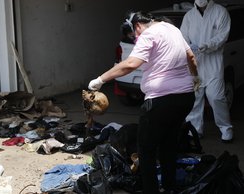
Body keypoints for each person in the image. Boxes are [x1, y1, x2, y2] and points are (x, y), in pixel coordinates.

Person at [88, 11, 198, 194]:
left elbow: (131, 64)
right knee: (168, 144)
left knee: (146, 149)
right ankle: (169, 187)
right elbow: (191, 57)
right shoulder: (172, 29)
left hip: (161, 101)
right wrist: (195, 78)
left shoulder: (149, 33)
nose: (136, 38)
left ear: (138, 26)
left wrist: (101, 79)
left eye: (134, 34)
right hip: (185, 98)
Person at [180, 0, 233, 143]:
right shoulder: (189, 16)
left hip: (213, 63)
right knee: (195, 99)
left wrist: (206, 45)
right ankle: (195, 130)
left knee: (216, 97)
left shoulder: (220, 12)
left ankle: (226, 128)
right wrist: (189, 48)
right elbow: (182, 37)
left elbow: (222, 36)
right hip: (194, 65)